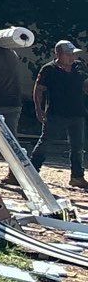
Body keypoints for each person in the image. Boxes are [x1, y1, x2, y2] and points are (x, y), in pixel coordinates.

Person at [32, 40, 87, 189]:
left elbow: (85, 85)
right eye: (68, 54)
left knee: (77, 146)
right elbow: (39, 89)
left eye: (73, 54)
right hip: (56, 113)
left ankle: (77, 176)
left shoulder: (79, 67)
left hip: (77, 113)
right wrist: (39, 109)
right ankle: (32, 171)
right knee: (46, 142)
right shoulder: (48, 69)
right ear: (58, 54)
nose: (72, 58)